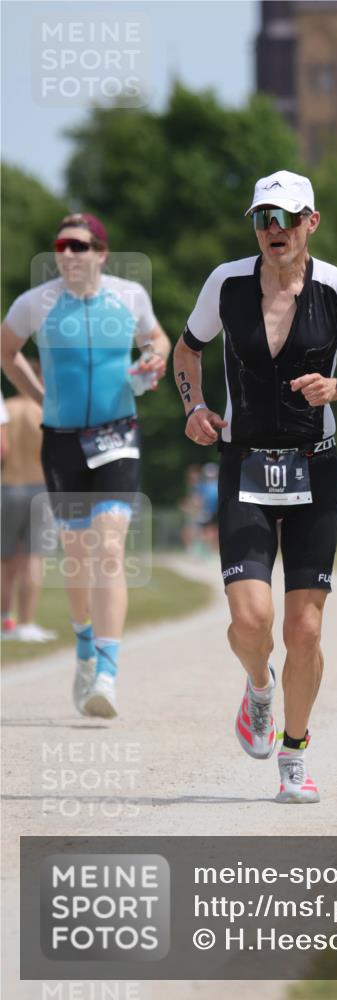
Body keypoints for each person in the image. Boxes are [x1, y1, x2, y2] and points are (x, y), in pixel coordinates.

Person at [173, 169, 337, 803]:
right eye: (262, 219)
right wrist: (193, 408)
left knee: (304, 630)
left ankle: (295, 755)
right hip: (243, 463)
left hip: (316, 465)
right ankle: (258, 690)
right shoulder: (226, 283)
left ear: (312, 221)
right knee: (252, 620)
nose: (273, 230)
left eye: (285, 218)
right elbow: (186, 350)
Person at [1, 212, 170, 716]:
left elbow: (157, 340)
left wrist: (154, 358)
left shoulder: (129, 296)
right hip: (62, 443)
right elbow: (6, 351)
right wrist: (38, 392)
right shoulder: (35, 304)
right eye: (61, 246)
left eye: (79, 246)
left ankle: (108, 675)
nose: (68, 254)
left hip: (118, 434)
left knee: (109, 550)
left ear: (100, 252)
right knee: (77, 559)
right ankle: (83, 644)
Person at [1, 362, 57, 642]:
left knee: (5, 561)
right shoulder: (46, 410)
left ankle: (4, 623)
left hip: (7, 486)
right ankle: (26, 623)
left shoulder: (7, 409)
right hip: (40, 489)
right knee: (33, 558)